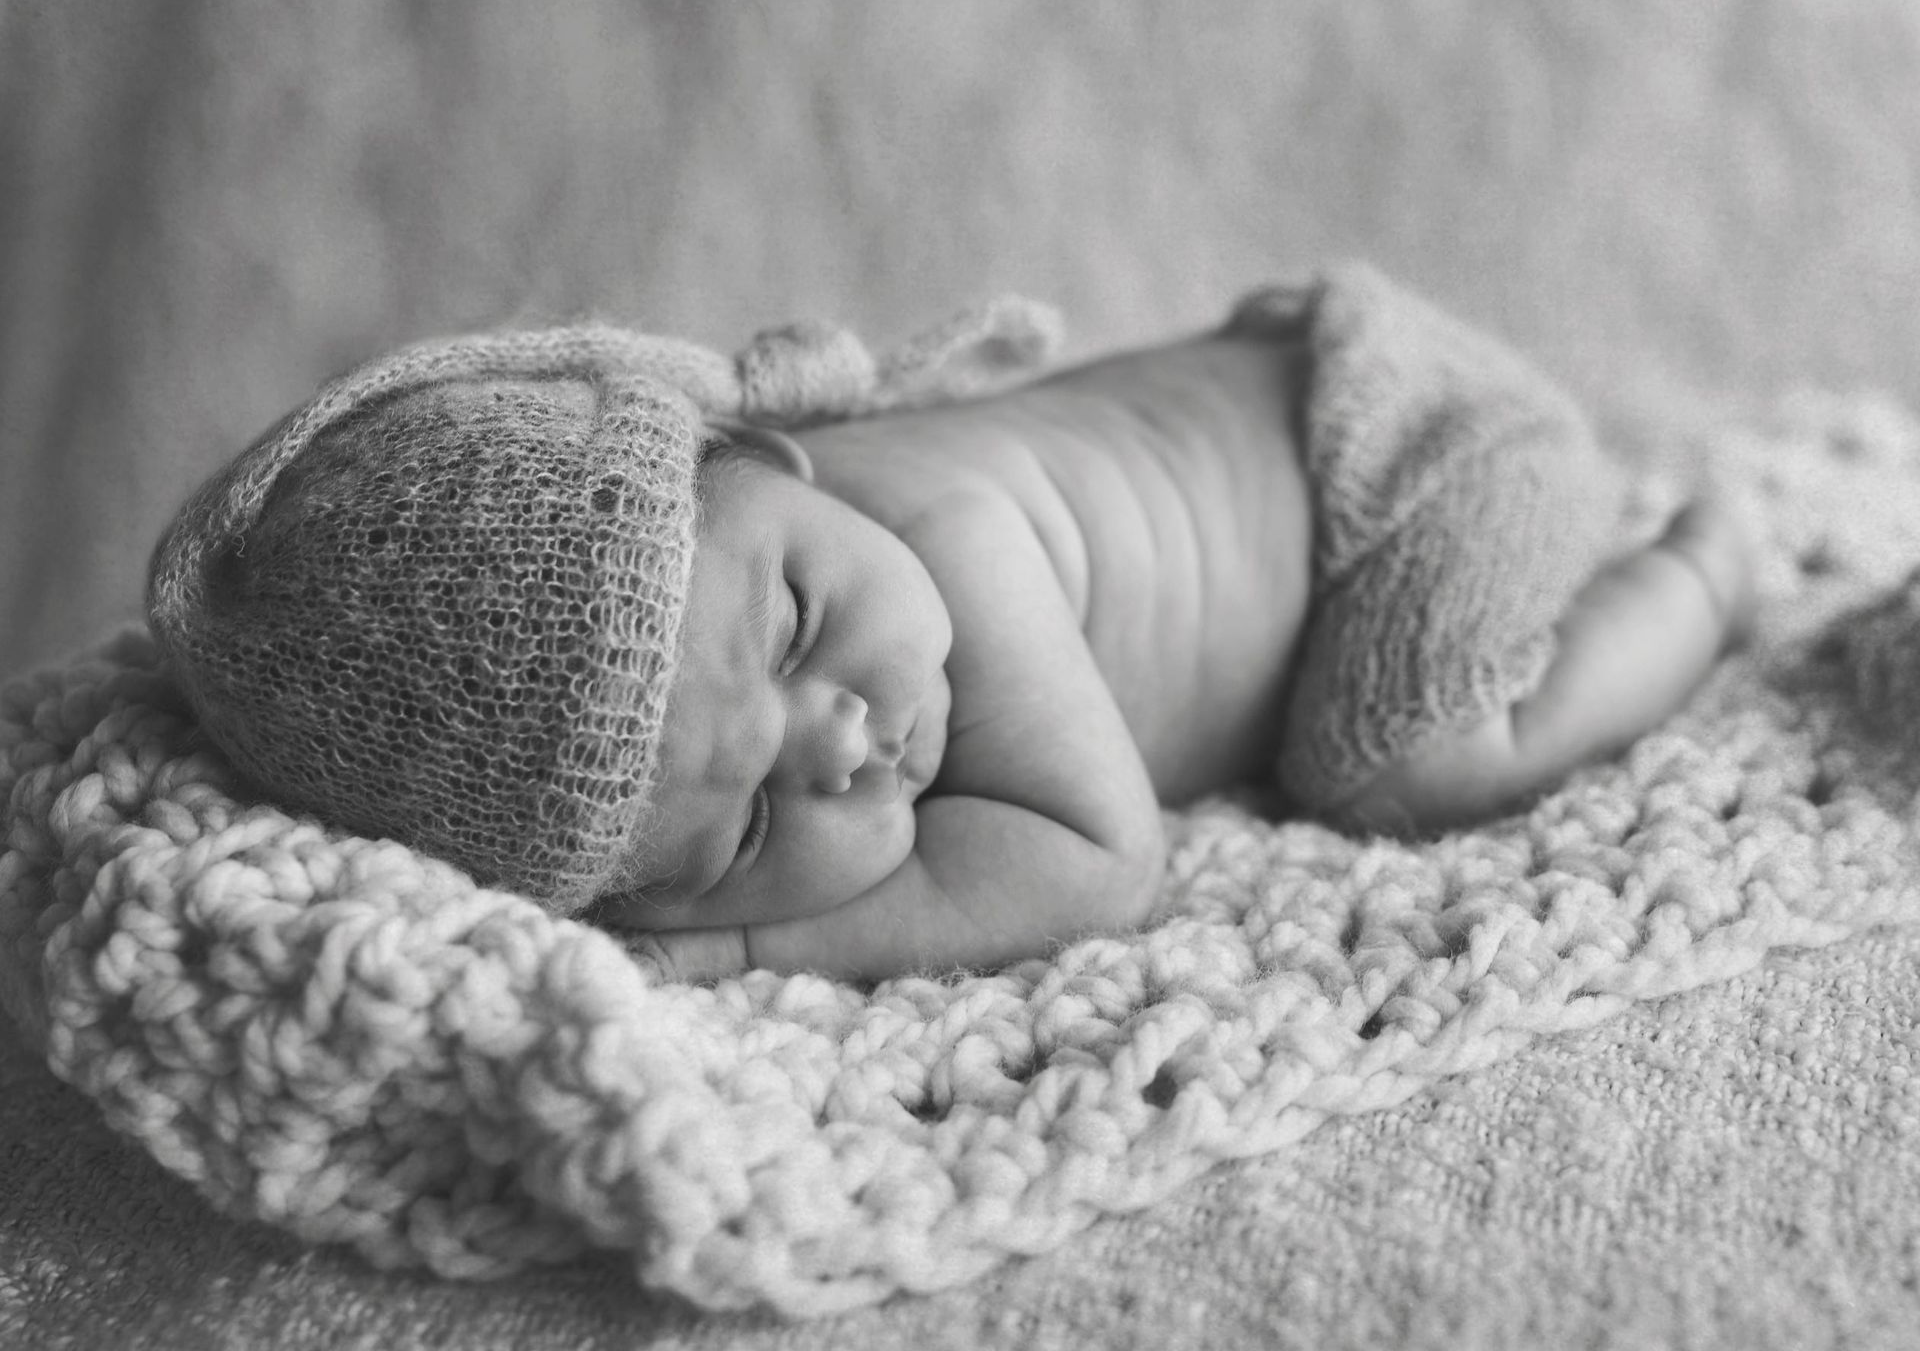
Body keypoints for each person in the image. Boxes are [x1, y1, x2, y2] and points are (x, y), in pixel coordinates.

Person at [145, 264, 1754, 983]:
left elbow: (1097, 859)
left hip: (1402, 456)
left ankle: (1699, 570)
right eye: (748, 829)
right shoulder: (795, 543)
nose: (843, 743)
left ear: (760, 461)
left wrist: (760, 935)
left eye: (789, 631)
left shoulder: (941, 530)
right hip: (1321, 404)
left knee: (1403, 760)